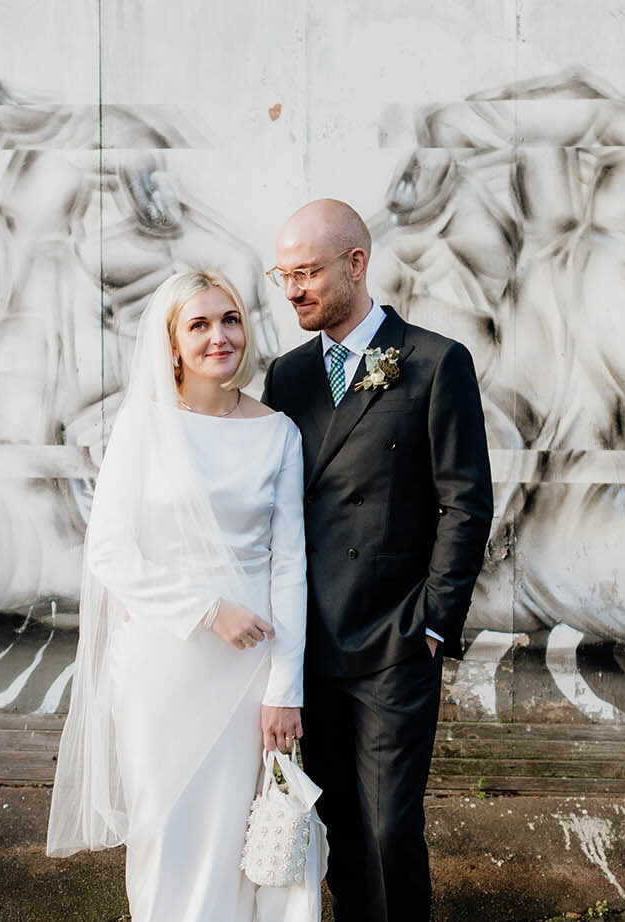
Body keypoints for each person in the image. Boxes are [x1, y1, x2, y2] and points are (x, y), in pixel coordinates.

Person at [46, 269, 313, 922]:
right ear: (171, 344)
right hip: (161, 666)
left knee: (242, 832)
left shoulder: (279, 433)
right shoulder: (144, 425)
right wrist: (207, 610)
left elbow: (290, 567)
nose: (219, 336)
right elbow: (110, 551)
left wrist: (286, 687)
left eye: (230, 319)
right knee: (166, 830)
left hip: (252, 667)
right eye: (199, 325)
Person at [261, 199, 495, 922]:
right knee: (340, 829)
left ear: (356, 264)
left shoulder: (434, 362)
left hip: (395, 638)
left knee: (391, 828)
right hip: (312, 640)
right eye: (283, 275)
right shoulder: (287, 377)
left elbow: (466, 503)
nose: (292, 290)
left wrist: (434, 622)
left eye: (306, 273)